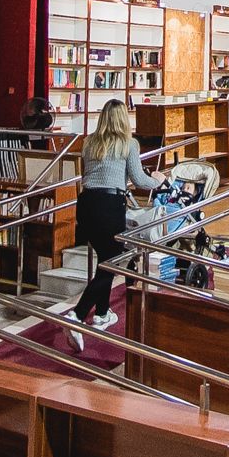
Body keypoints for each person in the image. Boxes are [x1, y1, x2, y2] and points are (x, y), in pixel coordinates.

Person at [72, 97, 159, 330]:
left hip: (87, 204)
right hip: (110, 206)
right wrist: (159, 181)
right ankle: (77, 314)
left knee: (106, 259)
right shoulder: (129, 144)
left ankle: (101, 313)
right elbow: (139, 179)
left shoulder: (89, 142)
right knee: (114, 263)